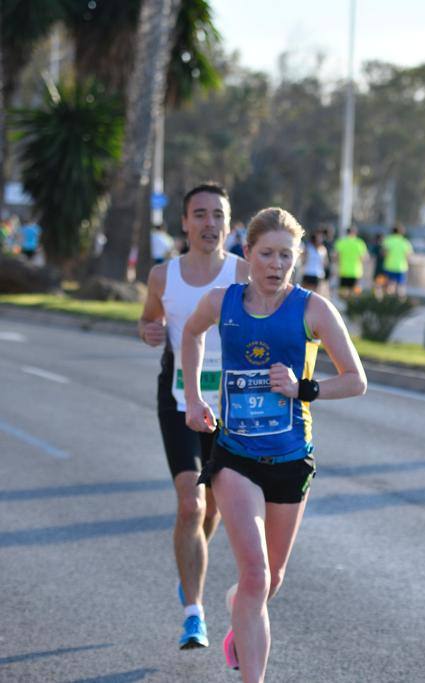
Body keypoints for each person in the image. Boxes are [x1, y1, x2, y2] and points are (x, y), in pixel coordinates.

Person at [182, 207, 367, 681]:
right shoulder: (222, 301)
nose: (276, 264)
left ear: (298, 259)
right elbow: (190, 332)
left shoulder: (312, 309)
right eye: (267, 253)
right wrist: (193, 398)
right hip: (235, 456)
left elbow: (356, 380)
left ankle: (238, 616)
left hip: (290, 458)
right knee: (257, 574)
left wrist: (304, 388)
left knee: (271, 580)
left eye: (286, 255)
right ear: (248, 254)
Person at [138, 183, 249, 650]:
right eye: (199, 215)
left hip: (233, 398)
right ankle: (194, 613)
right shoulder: (164, 276)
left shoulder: (243, 271)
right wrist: (150, 330)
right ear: (184, 223)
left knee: (215, 506)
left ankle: (191, 570)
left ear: (228, 222)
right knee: (191, 502)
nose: (209, 223)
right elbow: (149, 320)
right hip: (180, 395)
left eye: (217, 215)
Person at [334, 226, 368, 299]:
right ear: (355, 233)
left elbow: (336, 256)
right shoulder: (359, 243)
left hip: (343, 270)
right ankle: (351, 306)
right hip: (356, 271)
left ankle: (344, 306)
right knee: (354, 292)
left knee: (343, 292)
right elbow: (364, 258)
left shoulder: (341, 242)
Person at [381, 224, 414, 297]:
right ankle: (400, 302)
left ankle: (389, 301)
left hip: (389, 266)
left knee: (389, 286)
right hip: (401, 267)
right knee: (401, 287)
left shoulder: (388, 241)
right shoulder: (405, 242)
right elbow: (408, 256)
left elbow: (384, 253)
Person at [300, 230, 328, 296]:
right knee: (304, 293)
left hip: (318, 274)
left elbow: (325, 262)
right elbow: (303, 260)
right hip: (308, 272)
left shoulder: (323, 249)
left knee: (316, 295)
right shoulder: (308, 248)